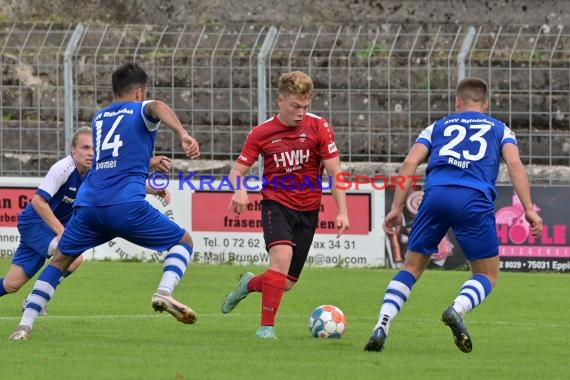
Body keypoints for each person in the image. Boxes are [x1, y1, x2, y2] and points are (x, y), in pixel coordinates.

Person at [9, 62, 200, 340]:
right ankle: (164, 291)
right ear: (139, 92)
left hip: (89, 207)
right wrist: (182, 134)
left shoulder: (99, 119)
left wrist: (149, 161)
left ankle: (24, 326)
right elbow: (157, 106)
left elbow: (111, 162)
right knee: (183, 242)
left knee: (60, 261)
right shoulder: (141, 109)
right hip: (126, 206)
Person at [364, 77, 543, 353]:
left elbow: (410, 163)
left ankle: (382, 324)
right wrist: (529, 208)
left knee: (411, 268)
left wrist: (397, 207)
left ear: (457, 102)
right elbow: (515, 163)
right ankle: (457, 309)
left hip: (435, 196)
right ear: (486, 104)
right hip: (473, 199)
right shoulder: (500, 129)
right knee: (487, 275)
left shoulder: (437, 126)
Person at [220, 70, 350, 339]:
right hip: (275, 204)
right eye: (295, 106)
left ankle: (248, 284)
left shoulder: (319, 127)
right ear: (280, 101)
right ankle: (266, 328)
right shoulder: (261, 133)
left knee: (286, 283)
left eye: (305, 106)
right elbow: (237, 172)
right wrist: (240, 191)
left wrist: (342, 211)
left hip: (309, 209)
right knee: (280, 260)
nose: (301, 112)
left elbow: (335, 172)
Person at [0, 126, 172, 316]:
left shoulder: (95, 171)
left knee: (12, 284)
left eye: (94, 149)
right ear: (73, 149)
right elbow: (38, 201)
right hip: (34, 223)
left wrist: (155, 190)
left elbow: (121, 180)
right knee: (73, 258)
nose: (90, 153)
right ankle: (34, 301)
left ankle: (32, 299)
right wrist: (61, 231)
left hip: (47, 229)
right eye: (85, 148)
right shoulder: (63, 168)